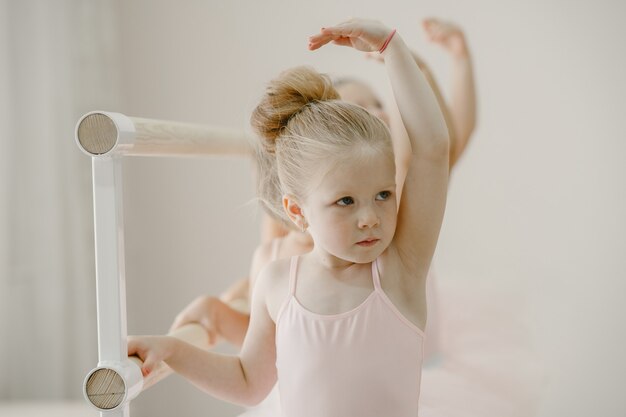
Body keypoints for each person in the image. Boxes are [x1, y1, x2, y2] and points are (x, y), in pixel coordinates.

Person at [129, 18, 449, 417]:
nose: (370, 217)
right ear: (298, 211)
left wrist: (392, 47)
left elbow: (432, 151)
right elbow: (248, 382)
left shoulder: (401, 268)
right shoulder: (278, 282)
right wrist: (173, 350)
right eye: (346, 201)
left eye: (383, 195)